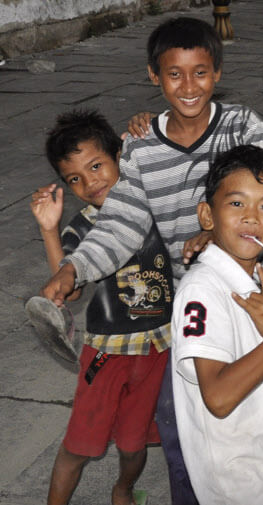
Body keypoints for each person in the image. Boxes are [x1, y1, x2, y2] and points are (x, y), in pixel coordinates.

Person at [40, 17, 263, 505]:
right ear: (154, 76)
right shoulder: (141, 149)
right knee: (175, 420)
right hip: (192, 312)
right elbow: (120, 225)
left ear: (218, 72)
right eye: (174, 74)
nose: (188, 86)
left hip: (256, 300)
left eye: (200, 72)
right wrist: (73, 268)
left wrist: (213, 232)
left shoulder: (241, 127)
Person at [32, 110, 173, 505]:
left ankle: (123, 490)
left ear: (119, 155)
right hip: (107, 354)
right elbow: (70, 291)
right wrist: (49, 230)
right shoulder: (83, 226)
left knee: (134, 444)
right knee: (80, 445)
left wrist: (146, 125)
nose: (90, 182)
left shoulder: (153, 206)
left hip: (157, 349)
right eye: (75, 178)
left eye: (97, 166)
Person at [172, 145, 263, 505]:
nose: (252, 218)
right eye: (236, 203)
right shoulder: (203, 290)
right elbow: (219, 399)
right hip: (238, 484)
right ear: (207, 215)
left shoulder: (258, 287)